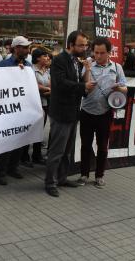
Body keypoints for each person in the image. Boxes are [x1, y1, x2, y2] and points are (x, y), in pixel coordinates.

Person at [44, 31, 96, 197]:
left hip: (73, 112)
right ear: (71, 45)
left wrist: (87, 71)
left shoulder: (78, 62)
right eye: (81, 45)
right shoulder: (59, 60)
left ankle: (62, 177)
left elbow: (81, 83)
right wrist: (83, 87)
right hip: (61, 113)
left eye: (85, 45)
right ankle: (50, 182)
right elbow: (61, 84)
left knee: (67, 150)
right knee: (57, 150)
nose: (84, 48)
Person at [77, 37, 127, 188]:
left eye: (102, 53)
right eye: (96, 52)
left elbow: (125, 89)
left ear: (109, 52)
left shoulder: (117, 67)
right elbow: (84, 87)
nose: (98, 56)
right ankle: (84, 175)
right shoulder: (88, 65)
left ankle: (99, 175)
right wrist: (88, 71)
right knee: (85, 145)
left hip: (105, 112)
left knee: (103, 146)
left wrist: (118, 88)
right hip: (87, 110)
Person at [0, 36, 32, 186]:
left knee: (20, 141)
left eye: (27, 47)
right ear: (16, 48)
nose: (27, 49)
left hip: (22, 109)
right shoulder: (3, 64)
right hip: (7, 109)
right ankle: (1, 172)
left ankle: (13, 168)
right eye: (24, 47)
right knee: (7, 143)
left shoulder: (28, 65)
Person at [29, 47, 51, 166]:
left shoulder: (47, 71)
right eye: (45, 56)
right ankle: (24, 157)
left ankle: (37, 155)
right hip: (34, 105)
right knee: (30, 131)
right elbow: (33, 85)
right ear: (37, 58)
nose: (48, 58)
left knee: (39, 131)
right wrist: (47, 89)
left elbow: (51, 84)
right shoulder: (31, 71)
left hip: (45, 104)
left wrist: (48, 90)